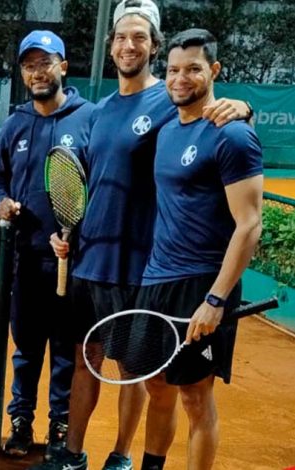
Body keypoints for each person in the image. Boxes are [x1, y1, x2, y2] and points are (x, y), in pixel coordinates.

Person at [34, 1, 253, 469]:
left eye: (139, 37)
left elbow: (215, 124)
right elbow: (89, 182)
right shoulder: (100, 111)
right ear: (110, 46)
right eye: (120, 37)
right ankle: (72, 456)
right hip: (92, 260)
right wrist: (68, 234)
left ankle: (122, 457)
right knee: (89, 359)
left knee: (141, 372)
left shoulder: (169, 100)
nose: (128, 45)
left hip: (144, 267)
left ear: (154, 45)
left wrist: (245, 107)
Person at [136, 28, 263, 470]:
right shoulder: (167, 130)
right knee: (156, 384)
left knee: (194, 395)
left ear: (214, 71)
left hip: (202, 283)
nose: (180, 78)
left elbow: (249, 224)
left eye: (192, 69)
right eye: (173, 70)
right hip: (157, 279)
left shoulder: (233, 136)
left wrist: (215, 300)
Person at [0, 30, 93, 459]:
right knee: (27, 350)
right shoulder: (13, 125)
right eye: (29, 66)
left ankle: (60, 427)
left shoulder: (90, 119)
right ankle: (20, 422)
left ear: (63, 67)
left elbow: (99, 184)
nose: (37, 72)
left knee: (66, 351)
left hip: (75, 263)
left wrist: (77, 237)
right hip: (26, 261)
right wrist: (2, 202)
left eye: (45, 63)